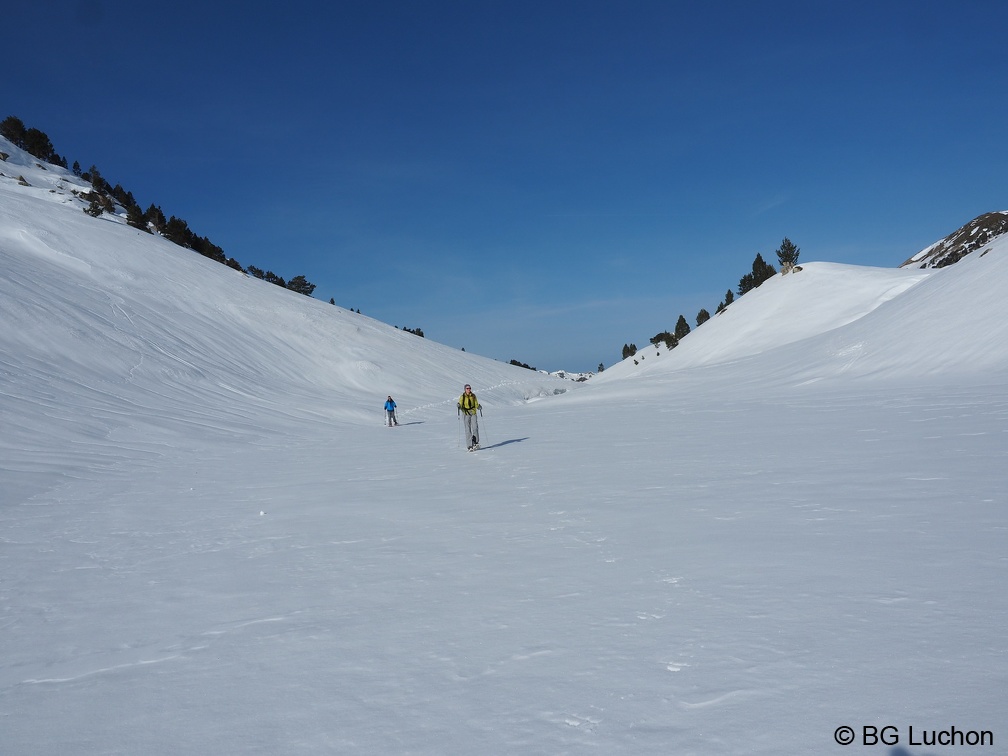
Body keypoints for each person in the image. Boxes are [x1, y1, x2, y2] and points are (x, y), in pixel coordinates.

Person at [457, 384, 481, 450]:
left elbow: (476, 403)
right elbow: (461, 403)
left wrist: (478, 406)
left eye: (469, 388)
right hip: (466, 413)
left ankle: (476, 442)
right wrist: (459, 405)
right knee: (468, 429)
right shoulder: (462, 396)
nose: (469, 389)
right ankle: (470, 445)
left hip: (473, 412)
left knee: (475, 427)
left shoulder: (473, 396)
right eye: (467, 388)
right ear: (465, 389)